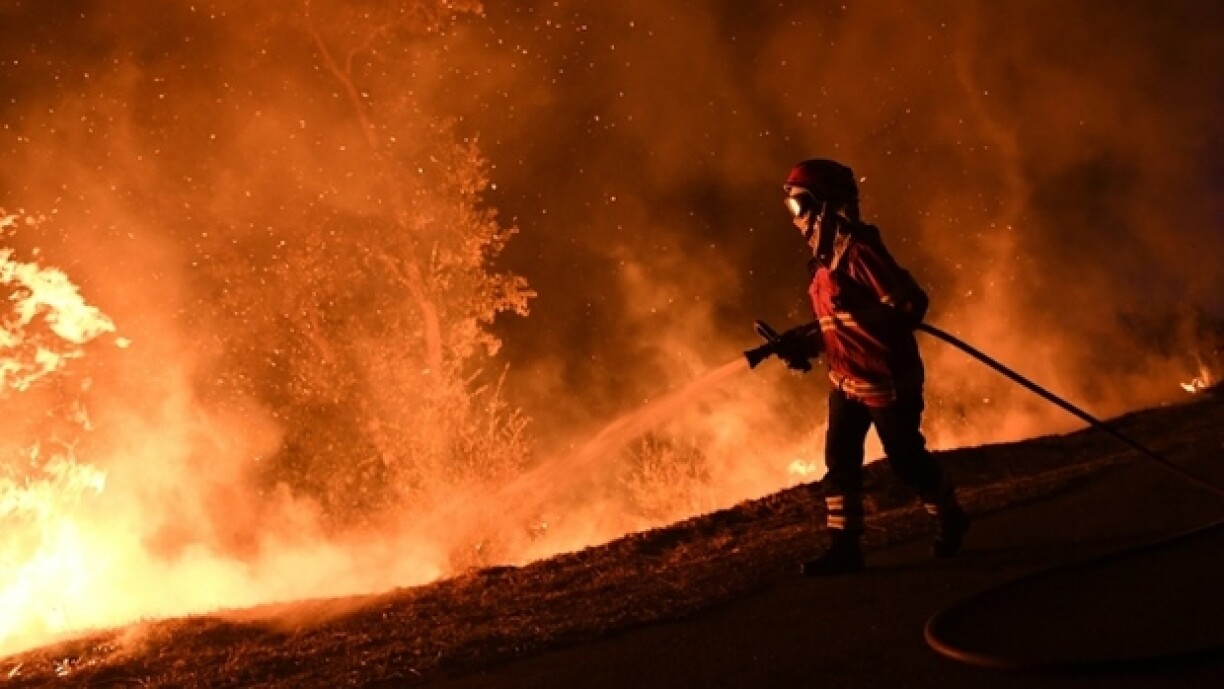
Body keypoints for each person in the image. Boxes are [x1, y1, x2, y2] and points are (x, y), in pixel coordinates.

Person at [768, 158, 970, 576]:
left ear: (824, 206)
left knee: (906, 460)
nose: (795, 217)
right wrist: (803, 344)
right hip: (846, 381)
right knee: (840, 464)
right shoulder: (823, 262)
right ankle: (844, 550)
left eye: (799, 205)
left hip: (886, 382)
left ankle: (950, 516)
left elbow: (909, 304)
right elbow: (837, 325)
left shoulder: (859, 252)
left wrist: (890, 319)